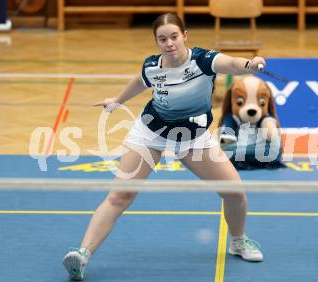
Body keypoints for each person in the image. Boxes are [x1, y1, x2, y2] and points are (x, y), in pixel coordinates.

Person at [63, 13, 266, 281]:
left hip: (192, 137)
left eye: (174, 36)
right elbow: (140, 80)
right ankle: (82, 255)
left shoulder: (204, 61)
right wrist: (118, 99)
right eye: (162, 39)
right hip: (151, 133)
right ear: (156, 41)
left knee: (235, 193)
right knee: (120, 196)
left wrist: (249, 64)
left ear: (185, 36)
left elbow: (230, 63)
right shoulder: (152, 66)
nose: (169, 43)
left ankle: (238, 240)